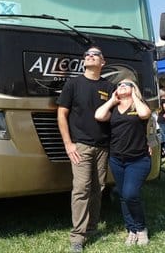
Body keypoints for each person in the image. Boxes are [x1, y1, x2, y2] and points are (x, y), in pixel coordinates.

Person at [57, 46, 114, 253]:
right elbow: (62, 114)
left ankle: (91, 229)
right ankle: (77, 238)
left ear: (103, 62)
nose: (89, 56)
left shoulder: (109, 87)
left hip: (103, 147)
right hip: (80, 145)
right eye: (87, 55)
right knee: (81, 189)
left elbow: (115, 115)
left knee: (98, 190)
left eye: (95, 54)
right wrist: (68, 144)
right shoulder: (73, 84)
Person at [94, 78, 152, 246]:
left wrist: (134, 97)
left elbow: (145, 114)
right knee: (122, 195)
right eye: (119, 85)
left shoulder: (139, 106)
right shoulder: (113, 108)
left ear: (134, 89)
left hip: (138, 159)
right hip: (117, 159)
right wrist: (112, 100)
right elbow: (98, 116)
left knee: (130, 194)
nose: (121, 86)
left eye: (127, 84)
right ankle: (131, 230)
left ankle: (141, 228)